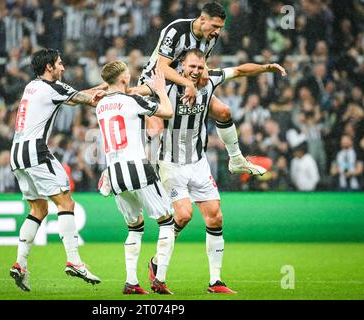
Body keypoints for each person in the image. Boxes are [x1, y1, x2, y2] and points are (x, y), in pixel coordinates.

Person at [144, 48, 286, 294]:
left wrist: (266, 67)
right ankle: (158, 269)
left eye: (200, 67)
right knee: (184, 215)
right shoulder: (165, 84)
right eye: (192, 67)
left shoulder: (211, 80)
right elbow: (139, 94)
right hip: (171, 163)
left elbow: (241, 70)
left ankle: (215, 281)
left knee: (216, 217)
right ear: (182, 66)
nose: (196, 71)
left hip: (198, 162)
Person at [9, 48, 105, 292]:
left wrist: (92, 95)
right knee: (66, 203)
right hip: (36, 152)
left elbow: (74, 98)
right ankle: (74, 260)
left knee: (39, 208)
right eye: (60, 64)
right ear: (49, 67)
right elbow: (81, 98)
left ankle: (20, 264)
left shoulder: (32, 86)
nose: (63, 68)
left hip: (17, 153)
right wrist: (110, 88)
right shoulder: (51, 87)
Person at [138, 1, 266, 176]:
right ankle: (132, 171)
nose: (217, 31)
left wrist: (203, 71)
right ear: (202, 19)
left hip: (183, 85)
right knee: (156, 129)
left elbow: (199, 62)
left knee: (223, 111)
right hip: (156, 83)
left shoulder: (211, 37)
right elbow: (161, 67)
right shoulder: (176, 30)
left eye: (221, 27)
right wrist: (189, 84)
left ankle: (236, 160)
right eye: (215, 26)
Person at [96, 61, 175, 295]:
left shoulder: (100, 105)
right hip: (137, 167)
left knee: (134, 228)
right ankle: (159, 279)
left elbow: (118, 99)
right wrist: (160, 89)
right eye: (128, 73)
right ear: (122, 79)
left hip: (115, 172)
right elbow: (167, 112)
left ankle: (131, 282)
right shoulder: (133, 102)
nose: (130, 76)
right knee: (166, 222)